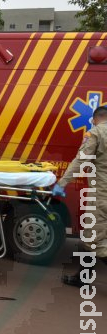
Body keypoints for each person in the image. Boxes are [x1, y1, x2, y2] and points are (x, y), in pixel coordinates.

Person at [52, 105, 107, 286]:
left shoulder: (96, 133)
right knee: (93, 236)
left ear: (95, 118)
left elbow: (80, 160)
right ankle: (82, 278)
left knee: (95, 241)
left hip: (101, 196)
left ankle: (82, 278)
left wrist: (62, 183)